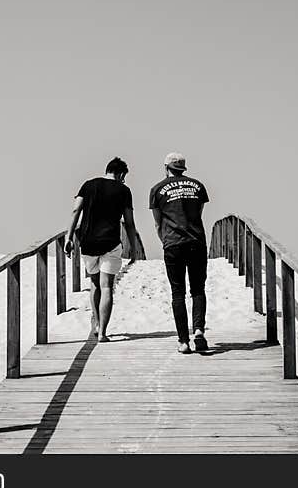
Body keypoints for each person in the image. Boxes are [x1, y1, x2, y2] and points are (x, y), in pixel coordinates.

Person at [65, 157, 139, 342]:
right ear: (121, 174)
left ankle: (97, 324)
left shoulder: (88, 185)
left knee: (95, 285)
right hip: (110, 243)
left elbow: (76, 211)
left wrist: (69, 237)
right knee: (107, 287)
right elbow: (129, 223)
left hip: (88, 242)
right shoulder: (124, 190)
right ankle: (103, 333)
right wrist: (134, 248)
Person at [149, 152, 210, 354]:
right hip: (196, 242)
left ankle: (183, 341)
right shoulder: (198, 186)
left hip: (173, 244)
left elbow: (158, 222)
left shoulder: (157, 189)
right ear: (183, 168)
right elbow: (198, 214)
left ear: (165, 167)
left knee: (178, 293)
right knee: (198, 289)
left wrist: (165, 240)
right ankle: (199, 330)